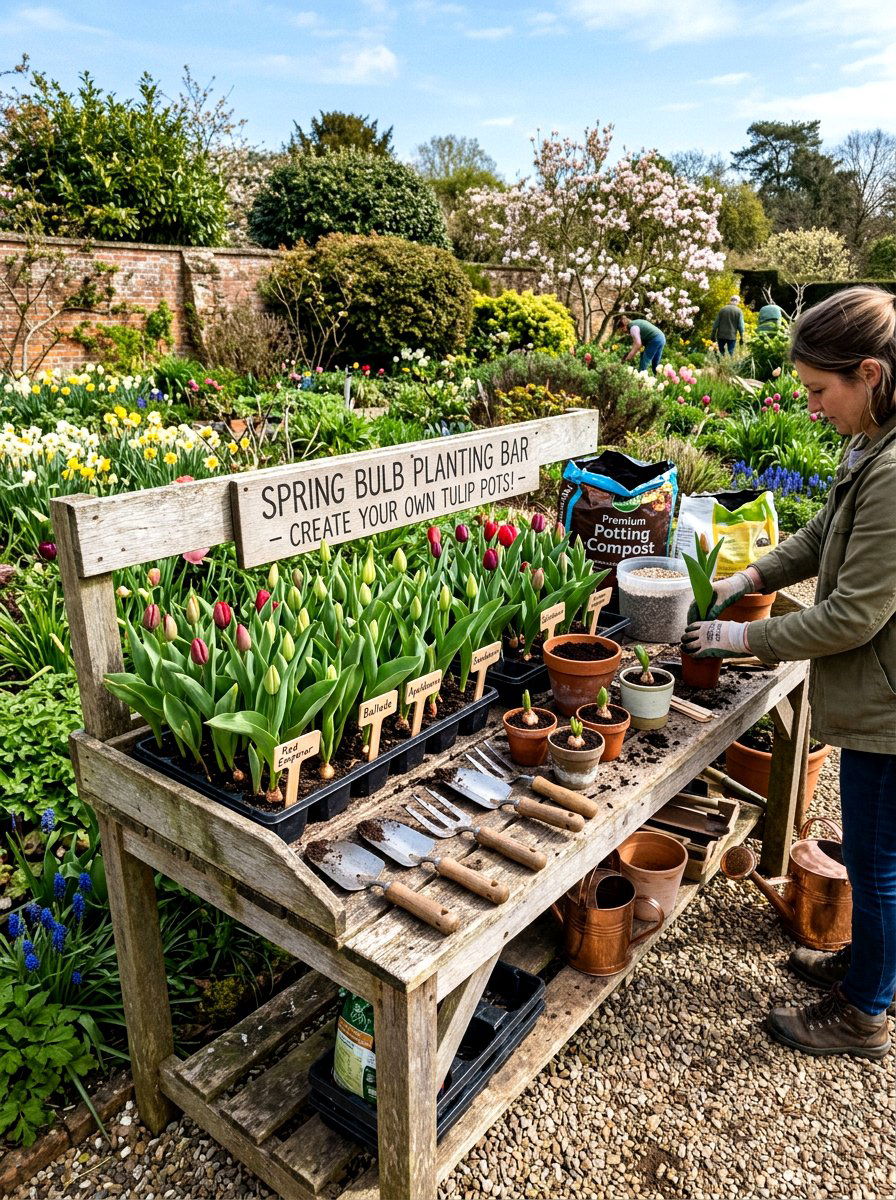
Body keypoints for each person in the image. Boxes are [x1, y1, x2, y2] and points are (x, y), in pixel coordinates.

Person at [683, 285, 896, 1059]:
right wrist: (746, 577)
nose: (808, 406)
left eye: (816, 390)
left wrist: (741, 639)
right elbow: (818, 533)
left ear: (868, 372)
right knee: (877, 855)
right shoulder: (873, 436)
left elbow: (851, 619)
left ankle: (864, 1013)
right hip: (882, 689)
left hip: (890, 705)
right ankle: (868, 969)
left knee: (876, 863)